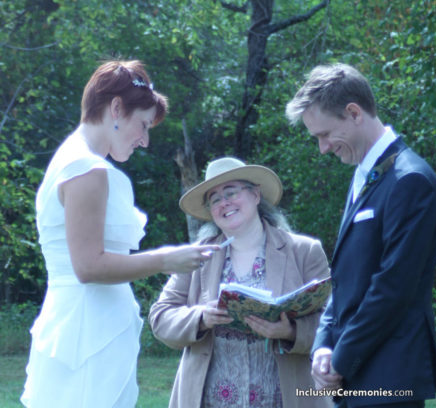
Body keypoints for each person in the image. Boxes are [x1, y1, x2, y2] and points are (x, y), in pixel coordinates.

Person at [21, 60, 218, 408]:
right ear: (116, 108)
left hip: (85, 324)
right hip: (86, 333)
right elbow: (88, 267)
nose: (144, 141)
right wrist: (164, 259)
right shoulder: (86, 168)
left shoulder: (75, 160)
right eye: (142, 125)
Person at [285, 63, 436, 408]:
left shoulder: (410, 180)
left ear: (354, 113)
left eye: (325, 134)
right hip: (355, 379)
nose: (323, 148)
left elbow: (392, 289)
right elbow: (345, 280)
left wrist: (340, 361)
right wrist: (324, 345)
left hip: (389, 380)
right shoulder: (365, 173)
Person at [148, 157, 333, 408]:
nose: (224, 203)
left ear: (256, 195)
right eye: (215, 199)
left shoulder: (305, 251)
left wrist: (289, 332)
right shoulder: (197, 256)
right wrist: (201, 317)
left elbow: (333, 321)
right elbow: (160, 317)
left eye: (231, 192)